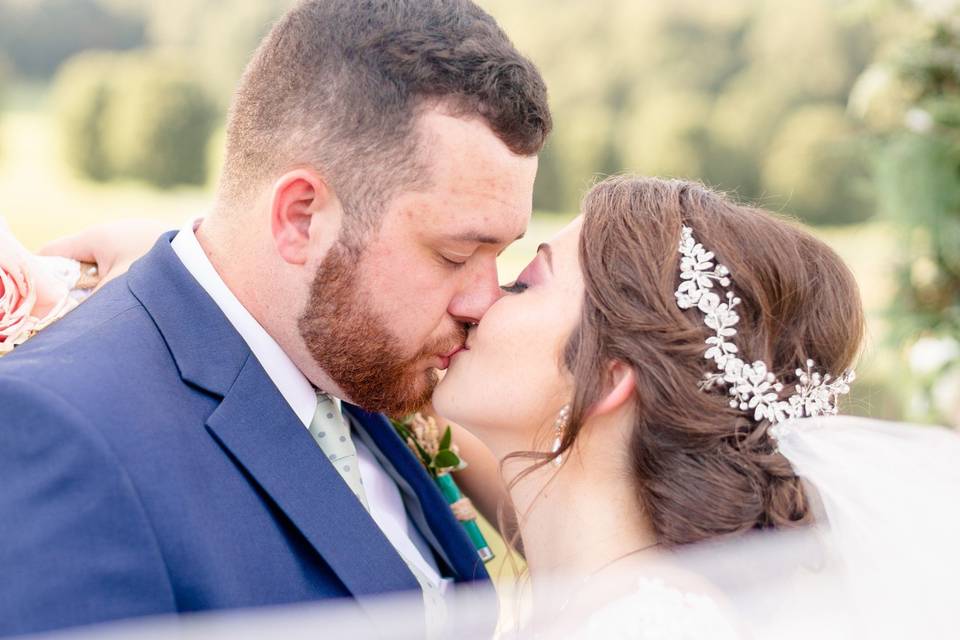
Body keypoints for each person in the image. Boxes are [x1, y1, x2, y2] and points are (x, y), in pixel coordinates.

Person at [0, 0, 550, 637]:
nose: (484, 301)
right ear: (301, 217)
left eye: (500, 254)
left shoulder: (360, 363)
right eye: (455, 253)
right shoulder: (62, 435)